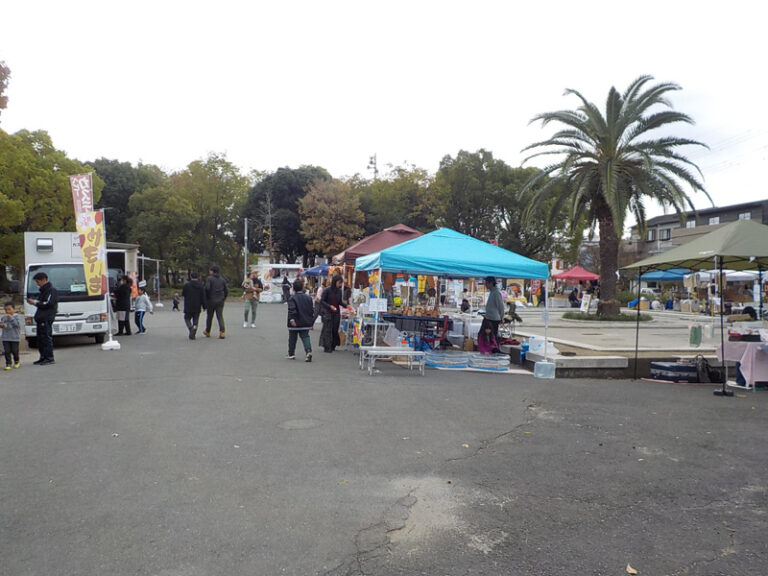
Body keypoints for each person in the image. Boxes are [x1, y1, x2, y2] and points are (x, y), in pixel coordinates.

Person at [27, 271, 58, 365]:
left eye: (38, 282)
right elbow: (42, 302)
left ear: (44, 280)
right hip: (40, 318)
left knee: (46, 338)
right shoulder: (42, 291)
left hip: (46, 317)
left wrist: (35, 303)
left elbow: (48, 303)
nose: (37, 284)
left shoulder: (51, 290)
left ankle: (49, 358)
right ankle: (42, 357)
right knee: (40, 338)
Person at [286, 278, 314, 362]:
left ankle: (291, 353)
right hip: (305, 321)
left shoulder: (292, 298)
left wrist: (292, 320)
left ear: (293, 288)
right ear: (302, 288)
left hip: (295, 322)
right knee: (305, 337)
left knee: (292, 338)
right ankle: (308, 352)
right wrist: (311, 321)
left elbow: (292, 310)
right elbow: (311, 310)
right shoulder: (308, 298)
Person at [320, 275, 345, 353]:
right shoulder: (327, 290)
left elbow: (340, 302)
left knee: (335, 329)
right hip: (328, 312)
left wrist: (347, 306)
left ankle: (333, 345)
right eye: (339, 283)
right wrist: (329, 306)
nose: (340, 285)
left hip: (336, 312)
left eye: (341, 283)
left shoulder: (339, 291)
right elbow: (322, 301)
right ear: (335, 282)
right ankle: (327, 346)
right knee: (328, 329)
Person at [203, 265, 229, 338]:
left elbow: (207, 289)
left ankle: (207, 331)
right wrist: (223, 298)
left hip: (211, 300)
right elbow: (226, 290)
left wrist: (207, 298)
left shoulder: (209, 279)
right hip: (220, 300)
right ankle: (222, 332)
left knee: (210, 316)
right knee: (220, 316)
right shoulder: (222, 279)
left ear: (212, 271)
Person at [182, 271, 207, 339]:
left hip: (188, 305)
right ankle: (194, 329)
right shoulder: (201, 285)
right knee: (195, 320)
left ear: (190, 276)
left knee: (187, 318)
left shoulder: (187, 285)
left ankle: (190, 327)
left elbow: (183, 294)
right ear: (198, 277)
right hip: (197, 305)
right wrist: (204, 306)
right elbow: (203, 296)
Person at [1, 302, 22, 369]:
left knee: (15, 350)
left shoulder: (17, 317)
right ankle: (8, 363)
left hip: (14, 337)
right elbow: (4, 325)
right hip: (5, 337)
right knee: (6, 351)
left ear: (14, 309)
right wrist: (1, 325)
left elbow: (17, 325)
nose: (7, 311)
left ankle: (16, 361)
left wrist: (11, 318)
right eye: (6, 310)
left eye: (9, 309)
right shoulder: (3, 317)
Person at [483, 276, 505, 342]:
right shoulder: (492, 292)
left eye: (486, 283)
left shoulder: (496, 293)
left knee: (493, 336)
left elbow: (501, 306)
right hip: (489, 318)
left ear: (491, 283)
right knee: (487, 336)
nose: (485, 285)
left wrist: (502, 317)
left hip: (494, 319)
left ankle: (494, 349)